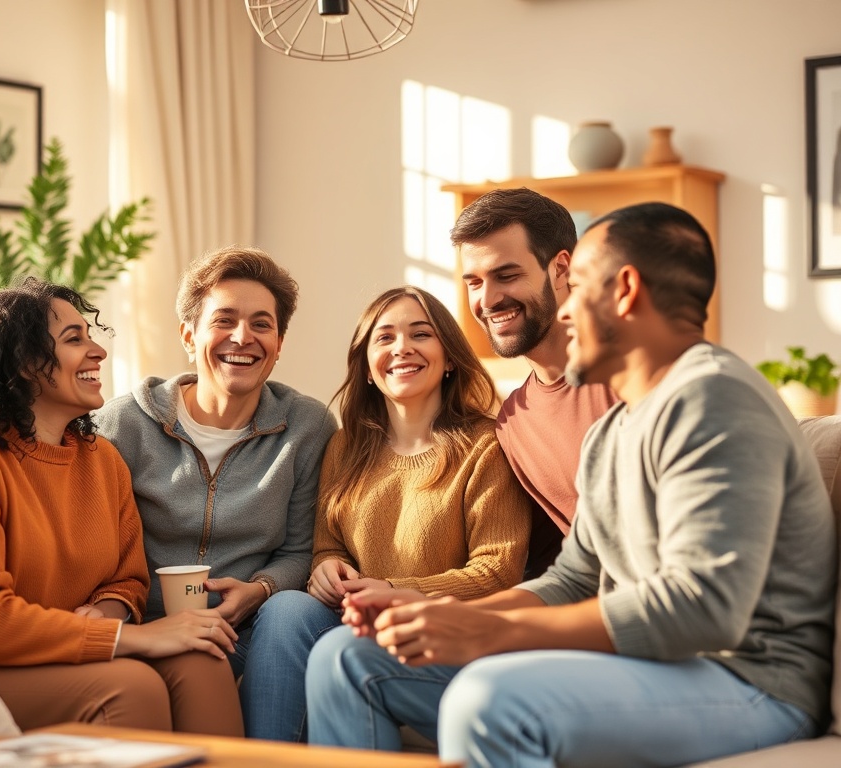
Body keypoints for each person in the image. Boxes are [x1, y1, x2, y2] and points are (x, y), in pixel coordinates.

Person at [306, 202, 837, 767]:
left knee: (491, 702)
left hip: (748, 678)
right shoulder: (615, 429)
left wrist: (486, 635)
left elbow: (703, 609)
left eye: (577, 287)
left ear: (625, 291)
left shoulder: (713, 398)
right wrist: (448, 616)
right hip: (648, 667)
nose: (563, 314)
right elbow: (575, 577)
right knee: (348, 655)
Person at [0, 278, 244, 735]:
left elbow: (127, 578)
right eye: (74, 339)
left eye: (90, 334)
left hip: (64, 652)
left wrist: (110, 612)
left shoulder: (101, 460)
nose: (98, 350)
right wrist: (124, 638)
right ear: (23, 362)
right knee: (130, 686)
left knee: (201, 657)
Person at [241, 286, 533, 741]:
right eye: (385, 338)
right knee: (286, 610)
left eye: (421, 334)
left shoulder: (486, 445)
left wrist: (395, 590)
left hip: (445, 635)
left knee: (342, 647)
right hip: (361, 624)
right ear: (367, 366)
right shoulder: (346, 445)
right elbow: (329, 545)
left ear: (450, 356)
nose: (402, 348)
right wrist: (326, 568)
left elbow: (498, 572)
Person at [94, 246, 338, 680]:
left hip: (246, 632)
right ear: (189, 336)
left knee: (291, 608)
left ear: (279, 345)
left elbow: (301, 549)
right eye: (224, 320)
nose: (242, 337)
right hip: (147, 630)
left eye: (261, 324)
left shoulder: (308, 426)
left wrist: (259, 590)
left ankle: (268, 752)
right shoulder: (121, 425)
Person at [453, 187, 618, 576]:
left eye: (506, 275)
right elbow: (575, 569)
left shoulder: (633, 373)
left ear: (562, 270)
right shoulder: (513, 423)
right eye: (474, 282)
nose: (488, 299)